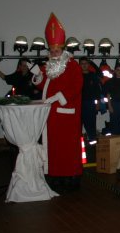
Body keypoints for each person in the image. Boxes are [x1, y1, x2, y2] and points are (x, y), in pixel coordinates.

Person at [33, 14, 83, 192]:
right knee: (53, 148)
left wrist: (59, 97)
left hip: (66, 115)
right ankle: (54, 176)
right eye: (52, 51)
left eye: (57, 51)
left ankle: (71, 177)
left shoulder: (73, 66)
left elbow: (77, 86)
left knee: (67, 147)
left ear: (63, 50)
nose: (54, 54)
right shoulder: (48, 66)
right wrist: (38, 77)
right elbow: (43, 86)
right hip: (51, 116)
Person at [79, 57, 103, 146]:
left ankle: (93, 145)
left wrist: (98, 103)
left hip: (90, 104)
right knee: (77, 126)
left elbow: (97, 91)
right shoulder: (77, 76)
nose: (84, 65)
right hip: (79, 104)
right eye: (82, 63)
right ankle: (78, 146)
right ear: (79, 65)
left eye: (86, 63)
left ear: (89, 65)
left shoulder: (93, 75)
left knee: (91, 125)